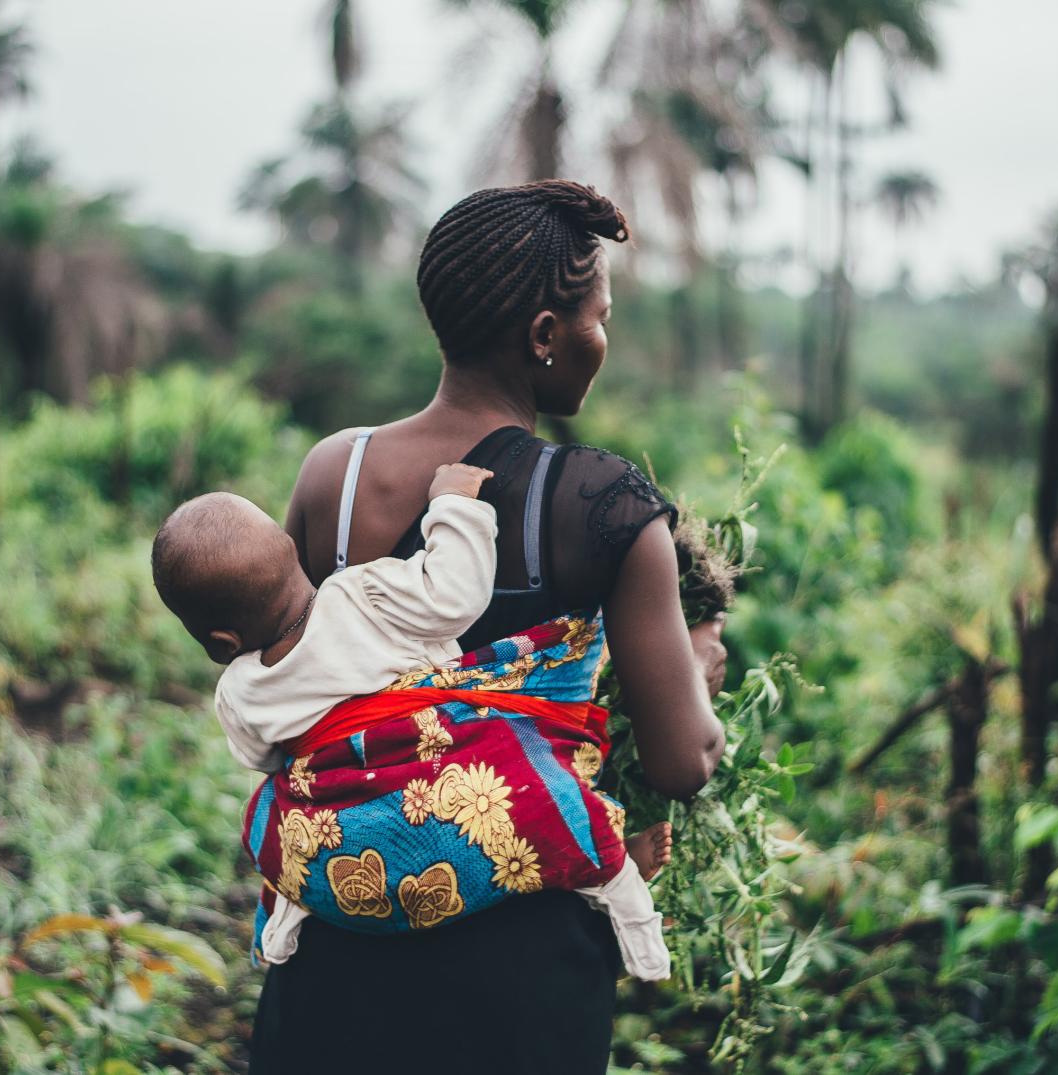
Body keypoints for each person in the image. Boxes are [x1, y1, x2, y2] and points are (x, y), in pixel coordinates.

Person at [250, 180, 727, 1074]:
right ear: (545, 335)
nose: (603, 340)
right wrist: (697, 660)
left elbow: (291, 686)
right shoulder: (604, 504)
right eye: (599, 316)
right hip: (519, 982)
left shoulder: (333, 477)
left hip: (340, 942)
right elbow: (681, 762)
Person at [148, 463, 674, 980]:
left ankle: (288, 914)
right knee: (540, 792)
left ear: (221, 642)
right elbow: (455, 596)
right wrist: (453, 505)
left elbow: (265, 759)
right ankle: (623, 895)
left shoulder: (239, 691)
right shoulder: (362, 594)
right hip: (442, 792)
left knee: (270, 816)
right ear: (291, 552)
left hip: (345, 846)